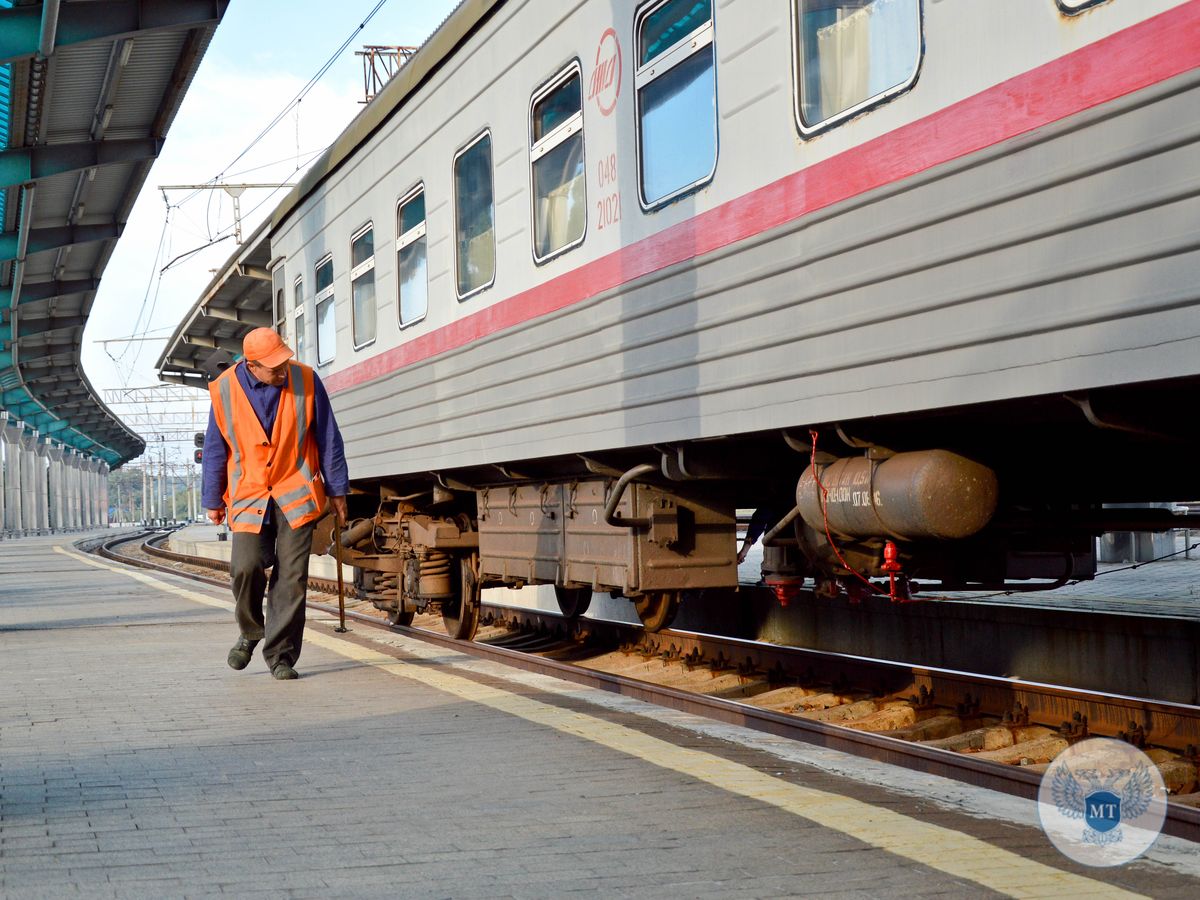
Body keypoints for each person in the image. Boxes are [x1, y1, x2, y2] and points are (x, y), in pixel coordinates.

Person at [202, 327, 349, 680]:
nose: (282, 370)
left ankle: (281, 655)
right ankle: (251, 631)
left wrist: (338, 490)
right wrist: (212, 497)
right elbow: (215, 447)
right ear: (252, 366)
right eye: (273, 367)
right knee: (245, 567)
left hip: (295, 492)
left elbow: (328, 437)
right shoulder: (224, 390)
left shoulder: (307, 381)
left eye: (284, 362)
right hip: (249, 493)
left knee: (292, 577)